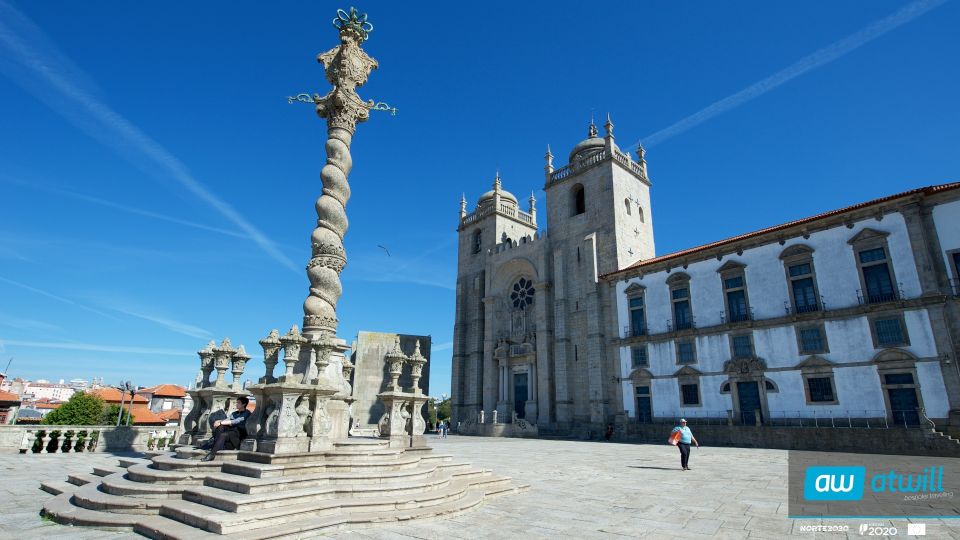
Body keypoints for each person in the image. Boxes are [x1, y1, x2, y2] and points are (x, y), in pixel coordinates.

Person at [201, 396, 252, 461]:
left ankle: (212, 454)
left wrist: (221, 422)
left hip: (238, 434)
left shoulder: (247, 413)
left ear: (243, 404)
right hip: (231, 432)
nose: (236, 404)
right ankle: (216, 445)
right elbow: (226, 420)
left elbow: (236, 421)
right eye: (236, 402)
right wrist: (219, 421)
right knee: (220, 426)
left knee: (223, 434)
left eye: (238, 403)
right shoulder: (234, 413)